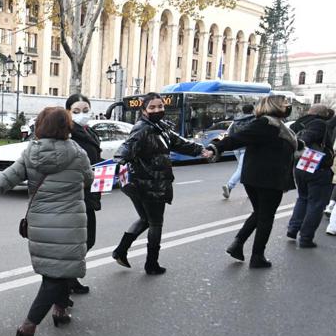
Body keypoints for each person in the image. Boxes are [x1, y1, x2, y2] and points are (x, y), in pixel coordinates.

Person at [0, 107, 92, 336]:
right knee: (55, 277)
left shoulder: (30, 153)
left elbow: (4, 180)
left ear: (40, 126)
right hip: (69, 224)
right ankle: (28, 326)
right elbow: (88, 180)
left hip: (40, 224)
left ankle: (60, 310)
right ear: (66, 126)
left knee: (58, 272)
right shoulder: (78, 153)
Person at [112, 92, 211, 275]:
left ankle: (120, 251)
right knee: (155, 223)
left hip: (145, 183)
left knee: (145, 220)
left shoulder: (160, 127)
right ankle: (151, 264)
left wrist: (200, 150)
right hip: (149, 184)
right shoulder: (143, 129)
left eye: (160, 106)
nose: (157, 110)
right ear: (144, 110)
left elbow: (179, 143)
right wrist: (119, 159)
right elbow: (127, 147)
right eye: (152, 107)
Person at [210, 95, 303, 268]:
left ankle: (237, 244)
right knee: (266, 217)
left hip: (257, 177)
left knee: (260, 213)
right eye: (285, 104)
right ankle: (257, 256)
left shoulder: (276, 125)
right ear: (275, 106)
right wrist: (215, 146)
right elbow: (237, 138)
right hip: (267, 179)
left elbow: (282, 144)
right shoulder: (267, 124)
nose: (289, 106)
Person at [66, 94, 101, 294]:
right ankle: (66, 280)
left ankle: (70, 278)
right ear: (68, 113)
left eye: (85, 111)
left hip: (90, 191)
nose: (82, 115)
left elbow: (94, 156)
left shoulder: (90, 131)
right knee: (82, 240)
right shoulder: (67, 134)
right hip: (77, 194)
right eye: (77, 112)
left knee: (88, 240)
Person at [285, 104, 334, 247]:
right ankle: (306, 238)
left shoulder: (297, 123)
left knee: (303, 198)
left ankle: (293, 229)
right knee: (316, 203)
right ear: (324, 115)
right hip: (316, 163)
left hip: (300, 164)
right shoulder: (319, 123)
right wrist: (302, 143)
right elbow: (308, 136)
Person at [222, 104, 255, 199]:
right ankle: (229, 186)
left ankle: (251, 191)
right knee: (242, 170)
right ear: (252, 110)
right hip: (247, 148)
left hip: (237, 149)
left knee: (246, 170)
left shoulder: (236, 120)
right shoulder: (254, 120)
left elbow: (229, 133)